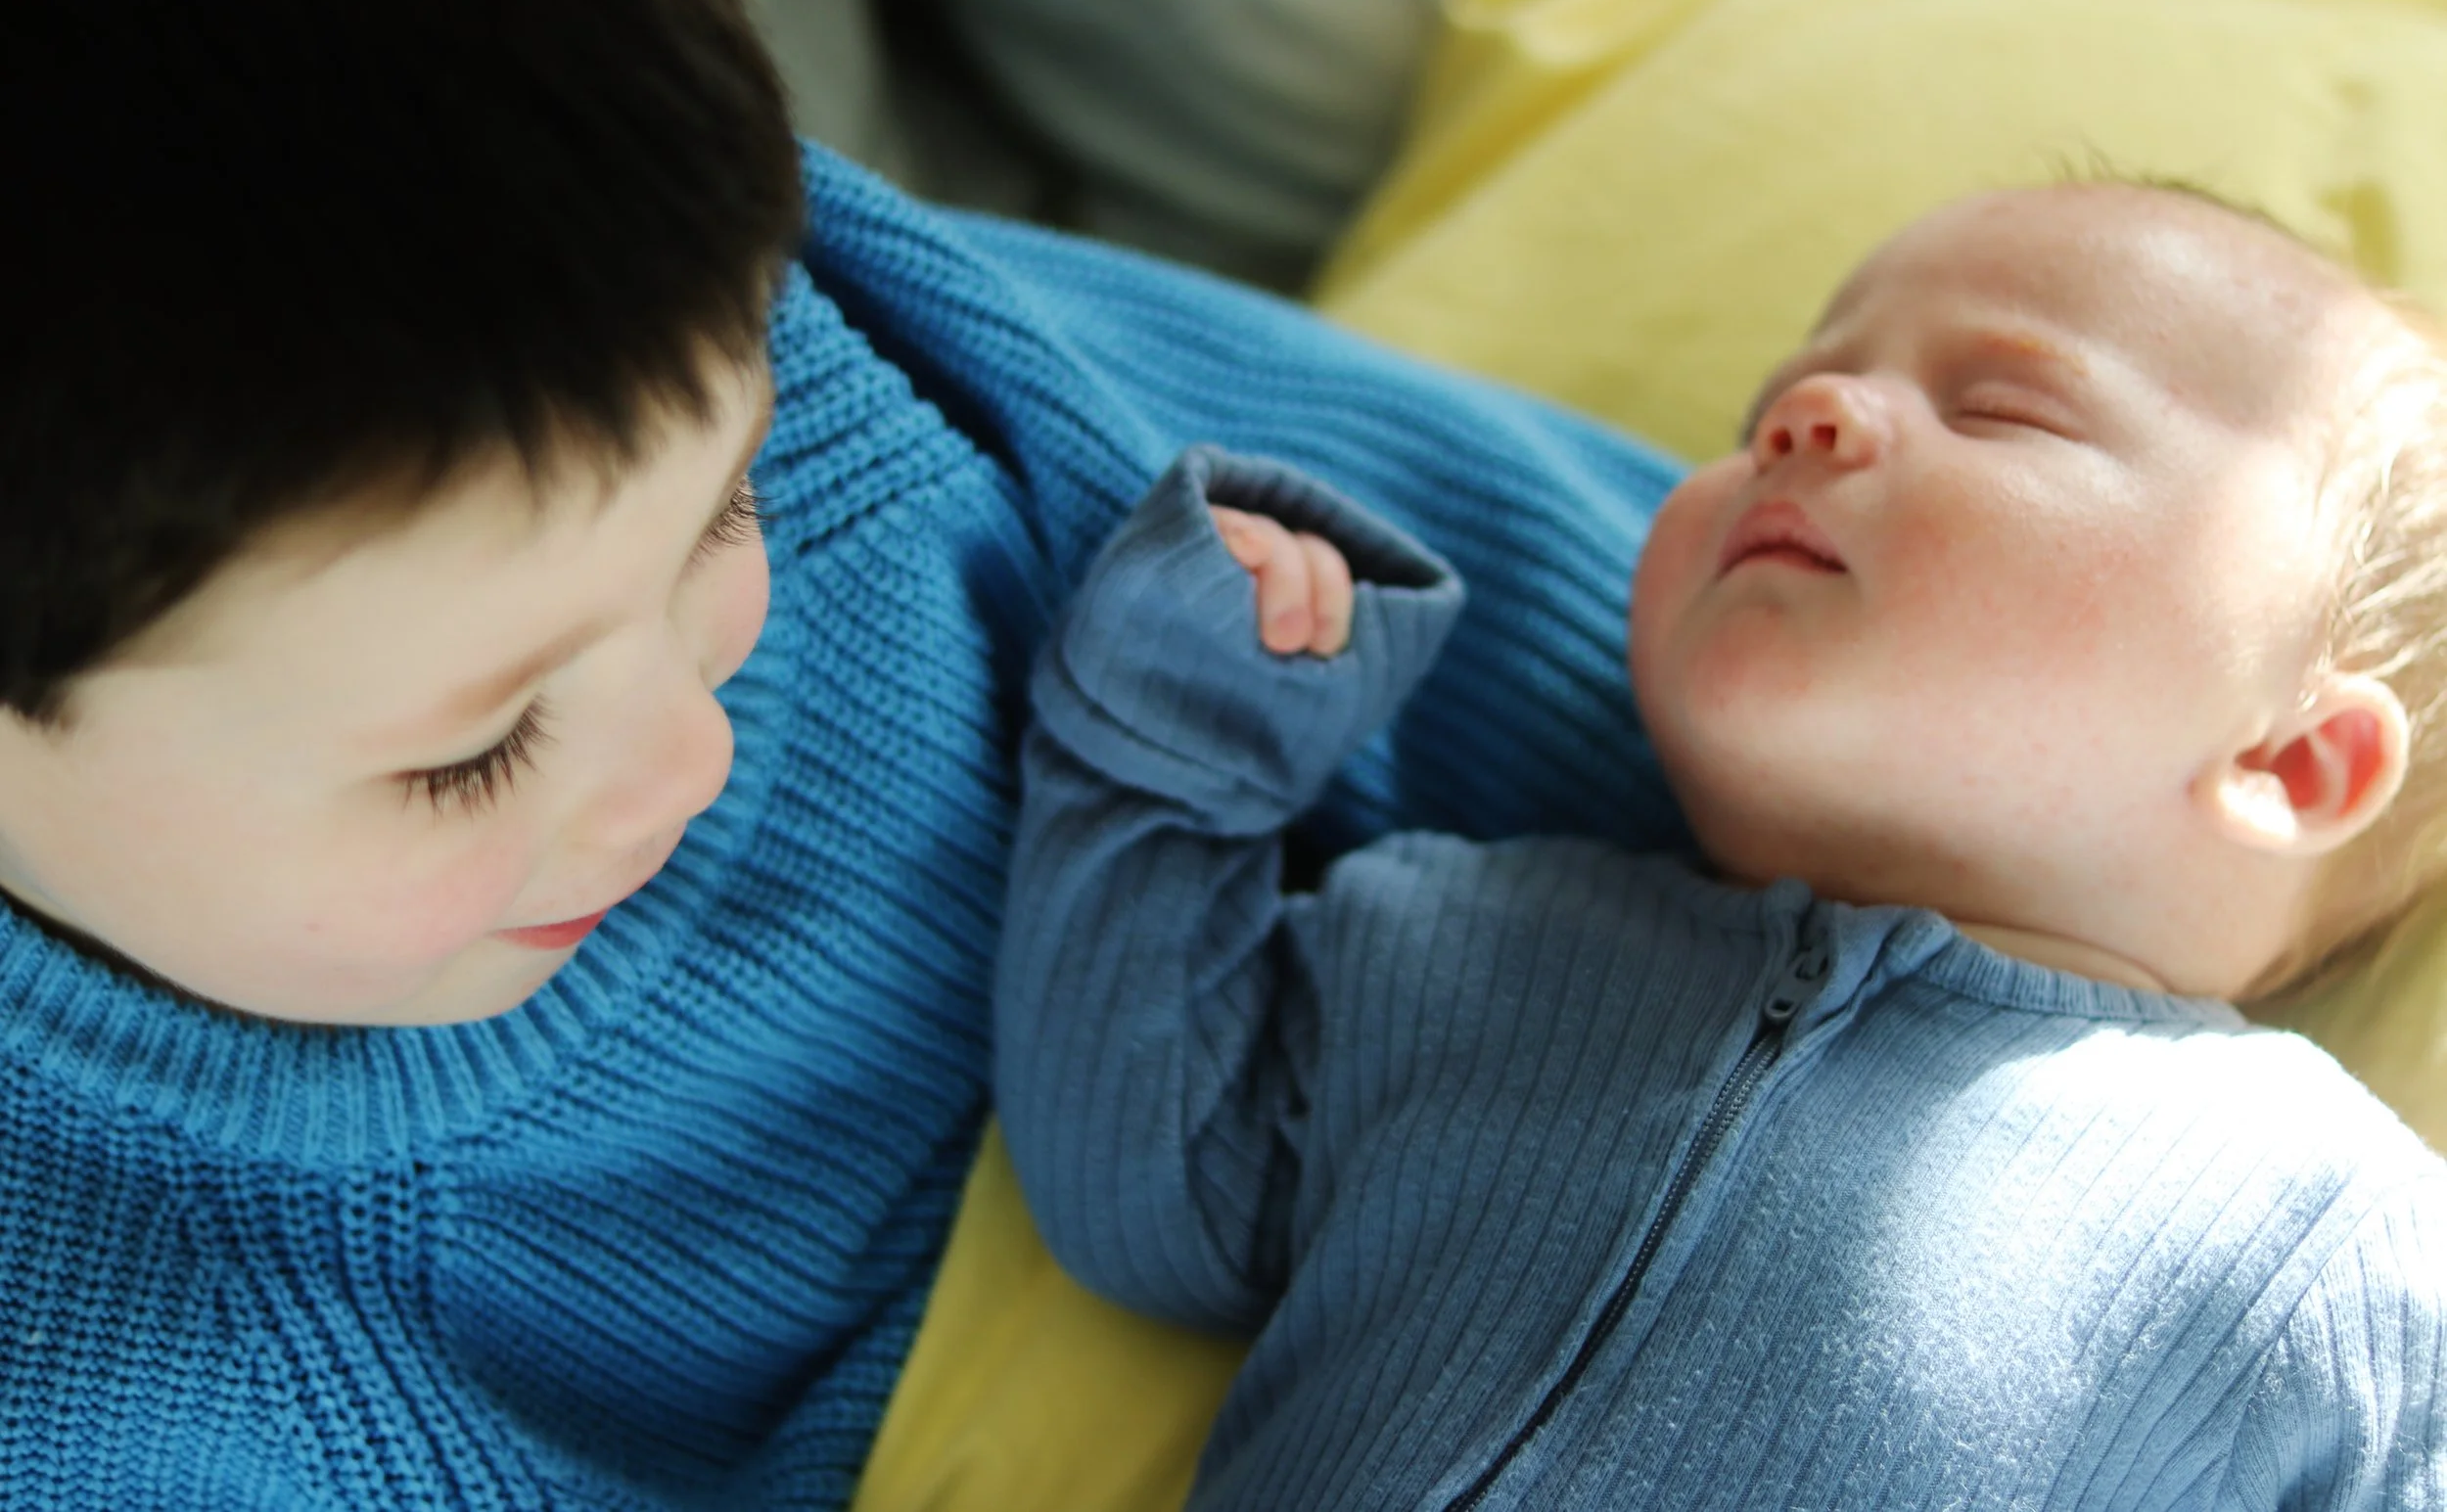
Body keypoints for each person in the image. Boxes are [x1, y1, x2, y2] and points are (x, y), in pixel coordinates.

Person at [0, 0, 1693, 1504]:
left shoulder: (728, 338)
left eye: (724, 516)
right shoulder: (128, 1372)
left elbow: (1440, 539)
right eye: (477, 752)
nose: (693, 752)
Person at [997, 181, 2447, 1510]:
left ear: (2290, 757)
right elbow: (1157, 1189)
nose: (1807, 409)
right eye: (1767, 403)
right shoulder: (1458, 938)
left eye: (2004, 407)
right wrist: (1183, 739)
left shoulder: (2323, 1242)